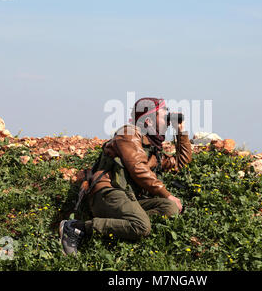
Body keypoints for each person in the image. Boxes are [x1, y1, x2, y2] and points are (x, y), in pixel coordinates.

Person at [59, 97, 192, 255]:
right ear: (149, 121)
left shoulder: (152, 148)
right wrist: (167, 194)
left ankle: (125, 224)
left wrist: (181, 131)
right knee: (142, 225)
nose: (168, 117)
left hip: (129, 197)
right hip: (109, 192)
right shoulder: (128, 133)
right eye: (164, 113)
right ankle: (76, 228)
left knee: (169, 209)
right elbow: (137, 167)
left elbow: (180, 162)